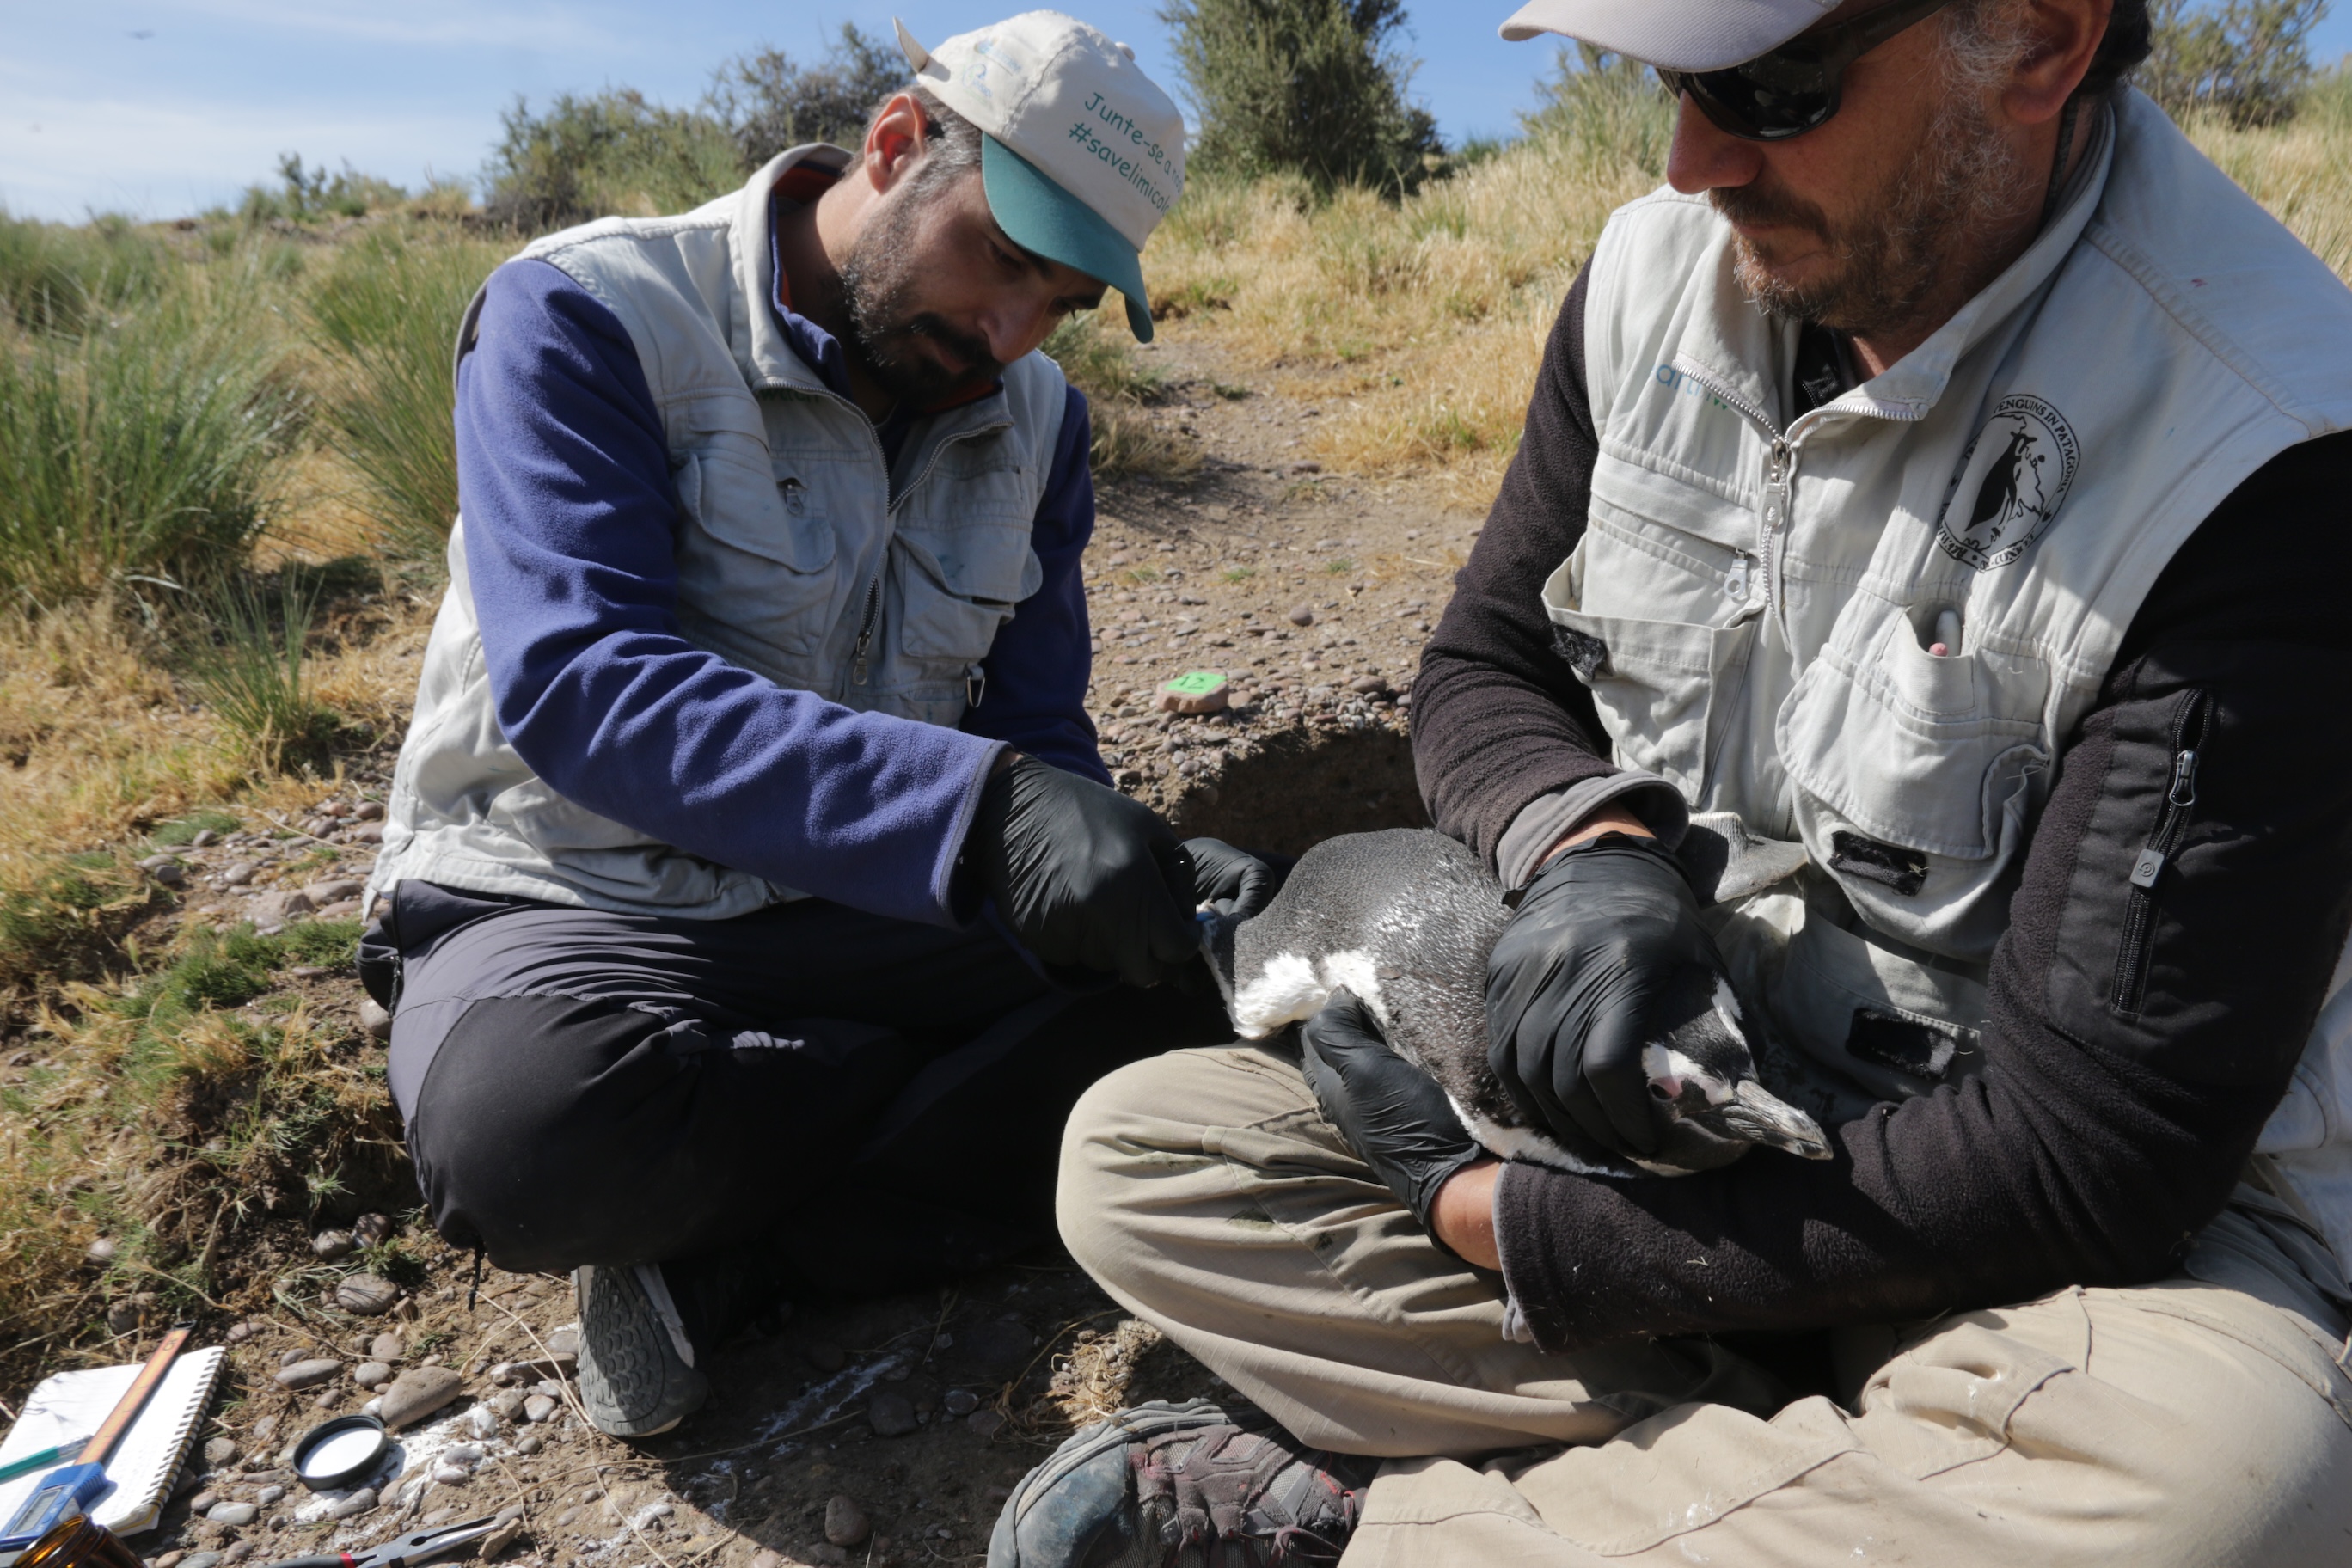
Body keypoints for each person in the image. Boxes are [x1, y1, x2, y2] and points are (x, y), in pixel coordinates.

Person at [995, 0, 2352, 1562]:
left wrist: (1486, 1219)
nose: (1691, 158)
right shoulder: (1654, 278)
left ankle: (1389, 1527)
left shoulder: (2266, 456)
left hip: (2056, 1254)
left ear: (2039, 40)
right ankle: (1805, 1483)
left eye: (1770, 89)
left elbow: (2083, 1160)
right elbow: (1483, 669)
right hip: (1677, 1119)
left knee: (2220, 1488)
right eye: (1670, 84)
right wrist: (1590, 846)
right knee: (1139, 1160)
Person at [354, 12, 1259, 1440]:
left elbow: (1035, 727)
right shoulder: (586, 312)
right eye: (1005, 260)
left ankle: (749, 1258)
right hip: (576, 893)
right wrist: (983, 823)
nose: (1010, 337)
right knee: (524, 1140)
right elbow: (588, 688)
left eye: (1063, 303)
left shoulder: (1039, 423)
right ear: (898, 145)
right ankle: (910, 1140)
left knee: (1201, 987)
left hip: (867, 908)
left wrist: (1115, 865)